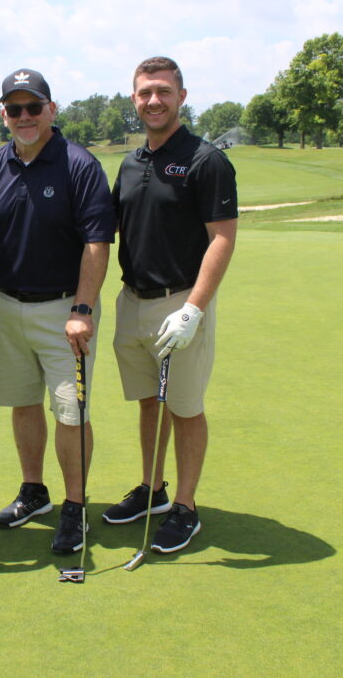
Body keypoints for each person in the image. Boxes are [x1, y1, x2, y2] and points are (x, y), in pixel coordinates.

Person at [0, 69, 115, 554]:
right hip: (4, 304)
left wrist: (83, 307)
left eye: (34, 107)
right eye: (14, 109)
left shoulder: (78, 165)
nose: (24, 117)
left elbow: (97, 243)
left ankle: (75, 507)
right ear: (4, 116)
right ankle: (33, 491)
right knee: (22, 401)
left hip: (62, 311)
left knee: (71, 412)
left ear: (51, 110)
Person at [105, 57, 238, 553]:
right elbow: (109, 227)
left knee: (184, 408)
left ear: (181, 96)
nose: (153, 100)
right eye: (144, 93)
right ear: (134, 99)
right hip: (132, 299)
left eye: (163, 91)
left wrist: (194, 310)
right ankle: (153, 489)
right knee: (147, 401)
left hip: (179, 301)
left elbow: (222, 239)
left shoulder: (206, 160)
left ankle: (185, 506)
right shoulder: (132, 161)